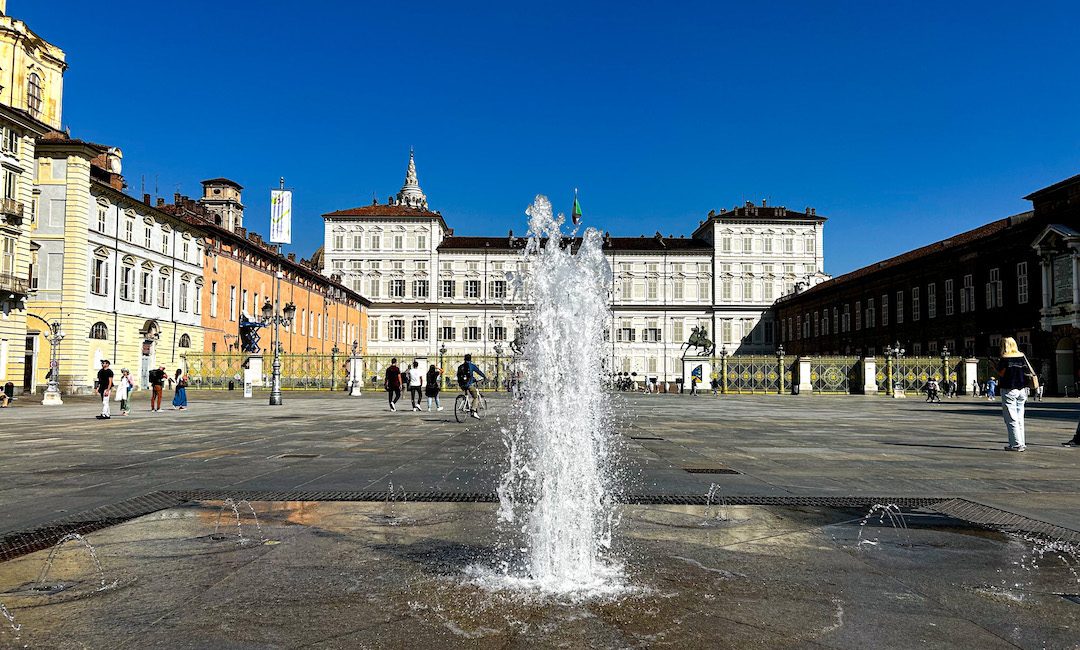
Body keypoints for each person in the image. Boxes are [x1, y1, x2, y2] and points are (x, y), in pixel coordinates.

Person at [997, 337, 1030, 452]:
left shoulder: (1005, 358)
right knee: (1020, 417)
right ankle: (1022, 442)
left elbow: (1001, 373)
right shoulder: (1022, 357)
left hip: (1009, 389)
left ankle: (1016, 444)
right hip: (1022, 389)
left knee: (1011, 418)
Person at [456, 353, 487, 419]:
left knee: (467, 394)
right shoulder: (471, 366)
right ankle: (473, 411)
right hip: (468, 384)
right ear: (470, 359)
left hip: (462, 385)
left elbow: (458, 375)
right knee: (476, 397)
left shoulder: (460, 366)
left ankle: (466, 404)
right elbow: (479, 372)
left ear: (464, 359)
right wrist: (484, 377)